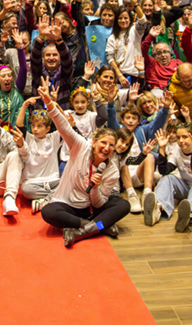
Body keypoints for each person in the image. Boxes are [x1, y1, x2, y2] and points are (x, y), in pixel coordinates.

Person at [37, 77, 130, 247]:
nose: (107, 148)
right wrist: (49, 103)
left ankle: (82, 231)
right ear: (94, 142)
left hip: (93, 208)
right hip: (70, 205)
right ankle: (95, 227)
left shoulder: (112, 170)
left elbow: (99, 203)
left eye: (111, 145)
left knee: (123, 205)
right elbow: (62, 126)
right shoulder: (80, 146)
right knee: (48, 212)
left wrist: (94, 189)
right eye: (103, 143)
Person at [151, 124, 192, 233]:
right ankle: (158, 209)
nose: (181, 141)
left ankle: (189, 215)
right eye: (178, 138)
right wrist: (162, 148)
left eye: (185, 137)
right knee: (167, 178)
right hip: (188, 190)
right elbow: (164, 171)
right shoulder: (177, 152)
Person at [106, 0, 149, 88]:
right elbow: (110, 58)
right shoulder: (112, 37)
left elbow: (142, 20)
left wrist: (136, 4)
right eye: (120, 18)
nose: (123, 20)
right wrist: (119, 75)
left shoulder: (135, 31)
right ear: (116, 20)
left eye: (126, 18)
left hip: (136, 74)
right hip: (120, 76)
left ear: (130, 19)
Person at [142, 25, 183, 96]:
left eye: (165, 52)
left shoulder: (177, 63)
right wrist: (150, 37)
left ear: (170, 53)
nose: (163, 55)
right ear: (154, 55)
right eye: (159, 53)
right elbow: (143, 49)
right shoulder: (151, 63)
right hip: (157, 92)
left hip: (176, 90)